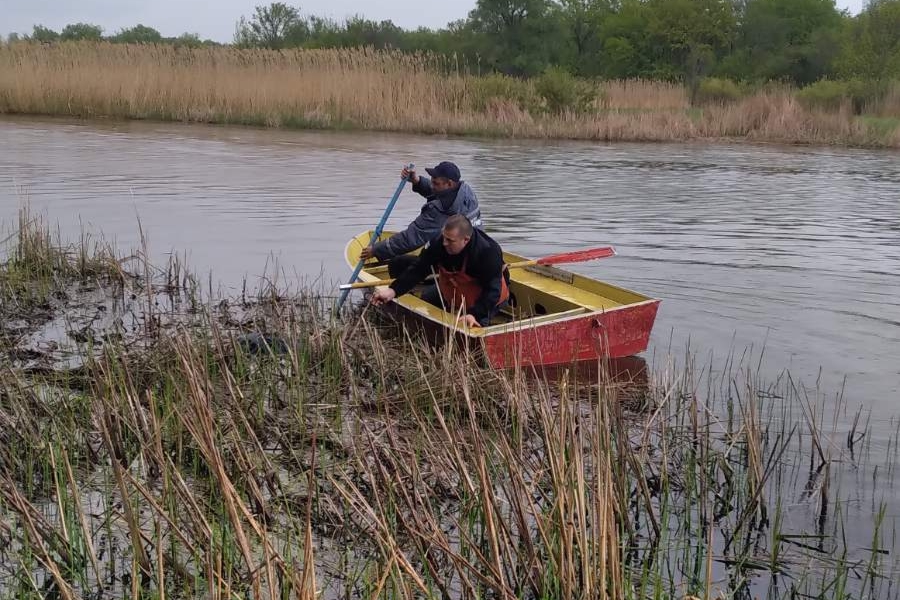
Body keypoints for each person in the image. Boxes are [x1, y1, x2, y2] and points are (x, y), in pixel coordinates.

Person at [371, 214, 509, 328]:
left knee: (476, 324)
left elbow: (492, 290)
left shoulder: (487, 251)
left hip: (486, 298)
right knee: (426, 300)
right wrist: (393, 290)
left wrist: (475, 314)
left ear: (465, 240)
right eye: (444, 237)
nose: (444, 243)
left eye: (450, 240)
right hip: (455, 289)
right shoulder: (439, 242)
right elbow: (419, 268)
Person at [359, 161, 482, 277]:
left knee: (397, 263)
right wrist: (417, 181)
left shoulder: (438, 211)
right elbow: (437, 192)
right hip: (475, 254)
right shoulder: (465, 192)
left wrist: (376, 250)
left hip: (453, 265)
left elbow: (410, 239)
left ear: (449, 183)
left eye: (436, 183)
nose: (432, 186)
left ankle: (400, 293)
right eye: (432, 182)